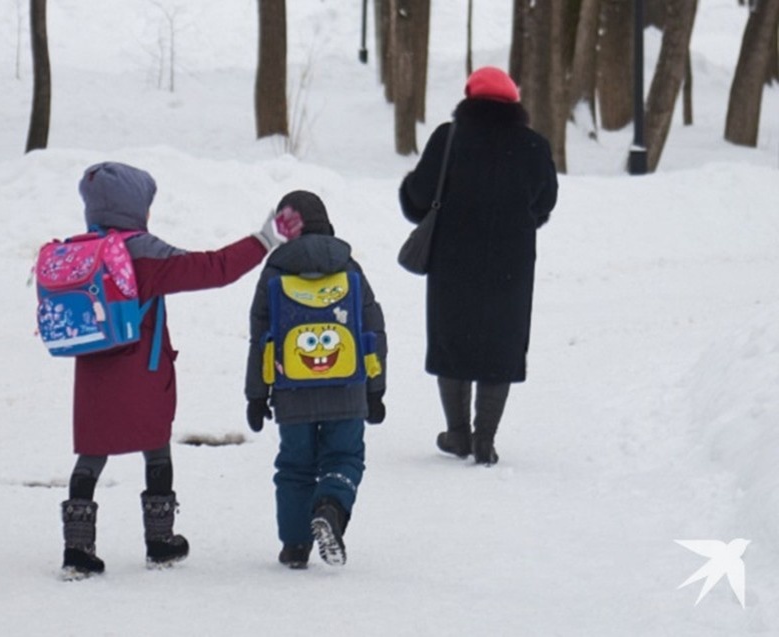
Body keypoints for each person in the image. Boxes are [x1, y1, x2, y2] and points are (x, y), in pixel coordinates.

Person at [59, 162, 303, 579]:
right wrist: (266, 239)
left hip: (94, 374)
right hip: (142, 370)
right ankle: (160, 541)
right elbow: (214, 268)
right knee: (156, 444)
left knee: (93, 452)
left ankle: (78, 549)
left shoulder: (79, 252)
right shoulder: (142, 252)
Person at [398, 66, 557, 466]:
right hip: (511, 263)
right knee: (501, 342)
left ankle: (457, 433)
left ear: (469, 98)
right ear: (514, 103)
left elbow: (418, 197)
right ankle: (485, 438)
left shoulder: (448, 138)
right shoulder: (534, 146)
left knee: (453, 339)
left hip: (452, 261)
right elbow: (546, 201)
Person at [245, 190, 387, 569]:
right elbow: (373, 328)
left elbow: (260, 337)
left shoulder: (276, 270)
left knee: (294, 466)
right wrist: (376, 388)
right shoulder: (348, 266)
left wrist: (256, 395)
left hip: (291, 389)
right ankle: (331, 506)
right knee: (345, 455)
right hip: (348, 385)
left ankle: (295, 546)